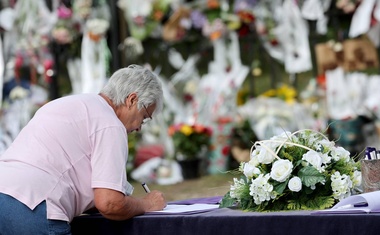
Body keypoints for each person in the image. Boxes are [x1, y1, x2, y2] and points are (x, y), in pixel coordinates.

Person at [0, 64, 167, 234]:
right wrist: (147, 204)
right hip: (35, 206)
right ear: (132, 100)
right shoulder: (110, 124)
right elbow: (109, 203)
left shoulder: (69, 103)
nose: (139, 128)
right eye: (144, 117)